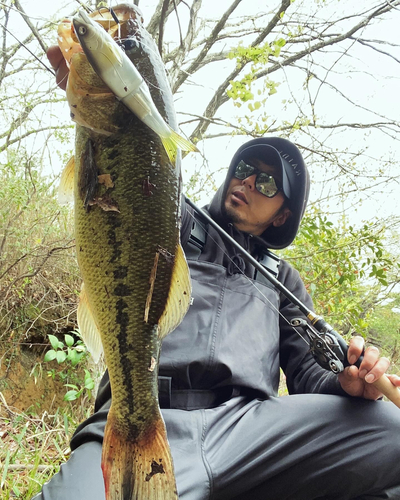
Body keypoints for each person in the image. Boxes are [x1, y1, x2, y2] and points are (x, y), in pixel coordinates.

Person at [34, 48, 400, 500]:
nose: (247, 182)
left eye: (266, 183)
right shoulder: (171, 222)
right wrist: (101, 98)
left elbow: (310, 376)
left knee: (390, 430)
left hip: (250, 435)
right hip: (146, 411)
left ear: (282, 216)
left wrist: (348, 382)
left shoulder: (284, 280)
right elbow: (130, 182)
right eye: (245, 170)